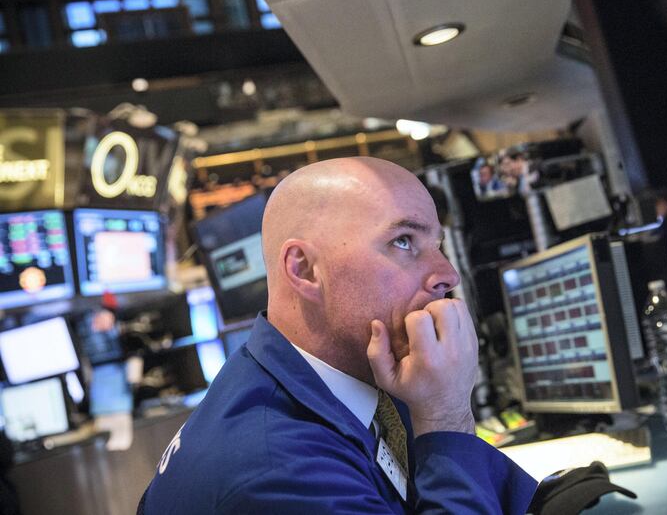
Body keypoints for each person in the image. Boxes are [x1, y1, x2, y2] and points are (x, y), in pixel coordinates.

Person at [139, 157, 537, 514]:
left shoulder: (348, 375)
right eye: (403, 241)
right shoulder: (276, 469)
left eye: (437, 244)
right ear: (305, 270)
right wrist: (445, 416)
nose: (446, 274)